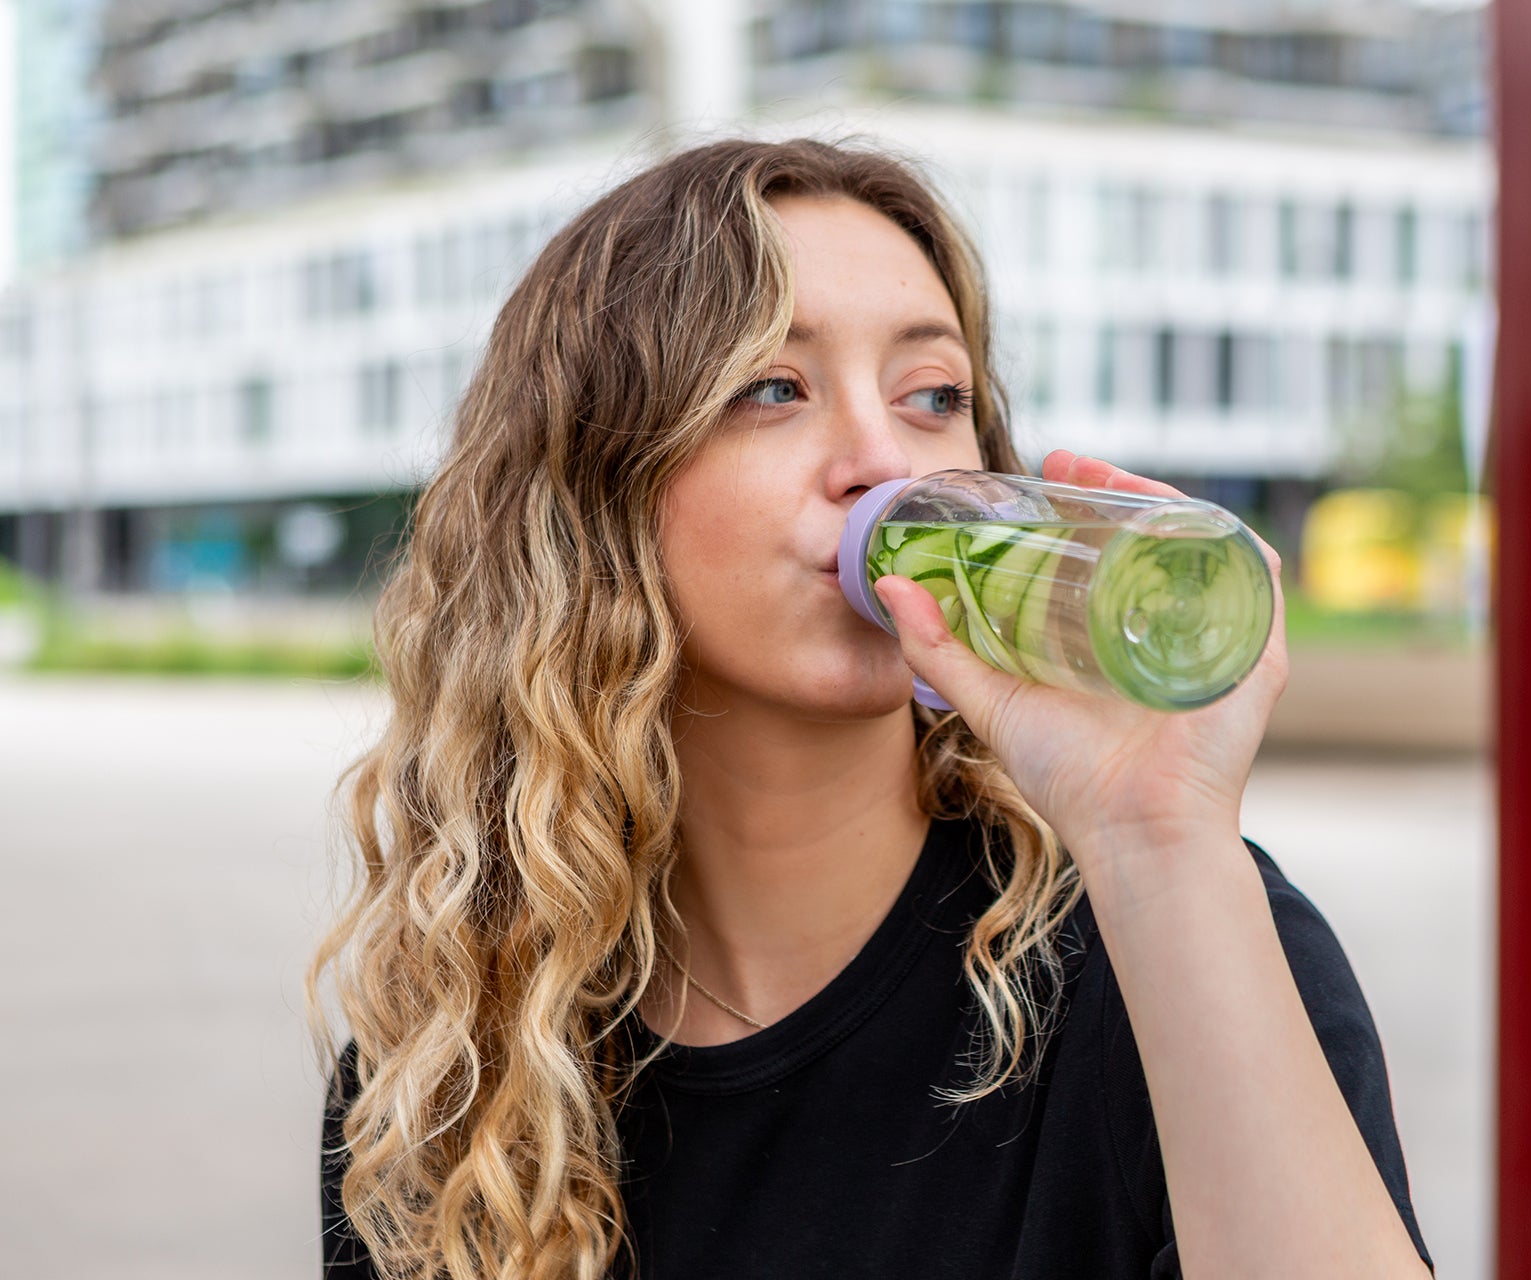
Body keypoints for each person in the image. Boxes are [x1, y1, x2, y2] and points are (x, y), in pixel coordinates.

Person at [311, 137, 1432, 1280]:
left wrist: (1160, 842)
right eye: (773, 389)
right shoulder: (458, 1067)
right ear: (592, 496)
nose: (883, 460)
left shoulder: (1179, 940)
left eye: (934, 395)